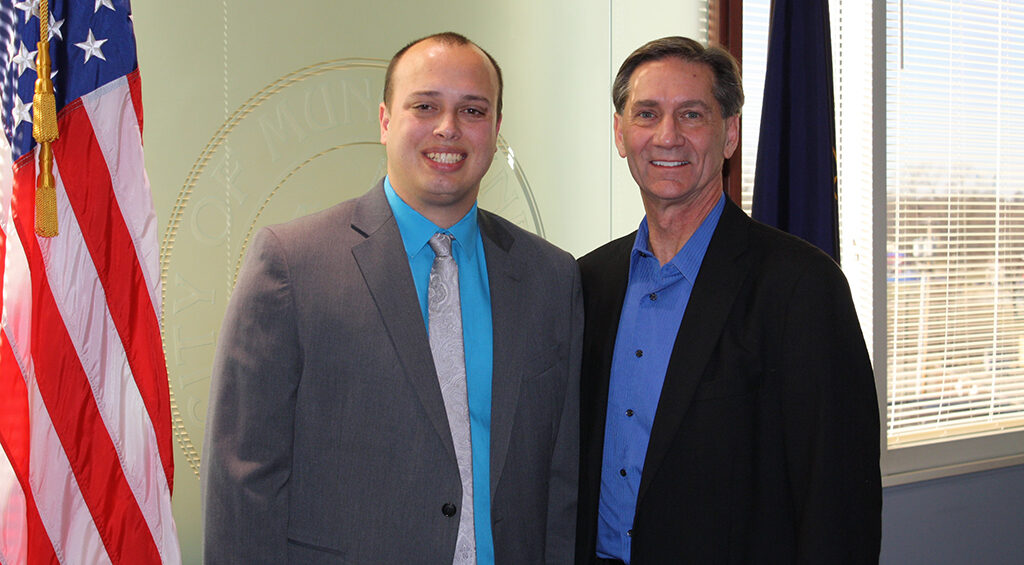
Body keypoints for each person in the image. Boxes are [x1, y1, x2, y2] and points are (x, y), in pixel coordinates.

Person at [203, 32, 581, 564]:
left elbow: (560, 481)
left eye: (472, 110)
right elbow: (244, 481)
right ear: (385, 121)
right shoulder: (292, 263)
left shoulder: (551, 277)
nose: (448, 128)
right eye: (425, 106)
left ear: (496, 130)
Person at [575, 36, 881, 564]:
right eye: (647, 114)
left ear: (730, 133)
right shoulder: (588, 281)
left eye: (691, 115)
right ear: (621, 135)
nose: (667, 136)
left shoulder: (802, 287)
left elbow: (839, 500)